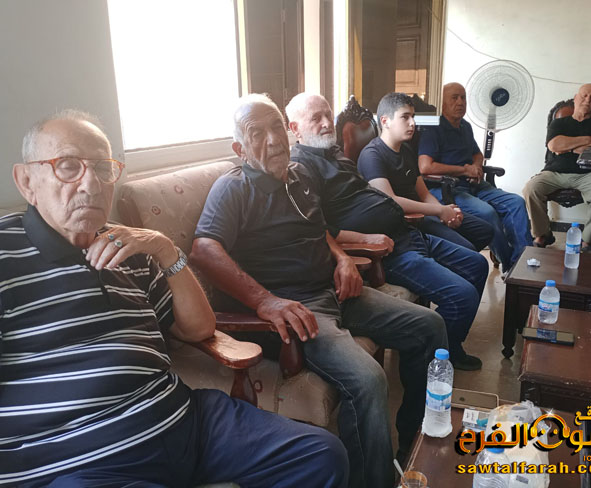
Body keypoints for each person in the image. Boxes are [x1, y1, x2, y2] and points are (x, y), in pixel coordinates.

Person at [0, 110, 348, 488]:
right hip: (81, 460)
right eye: (68, 166)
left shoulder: (131, 247)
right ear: (26, 181)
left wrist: (165, 249)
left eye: (102, 168)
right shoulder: (6, 253)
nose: (92, 184)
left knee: (321, 455)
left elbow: (199, 328)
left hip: (183, 420)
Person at [190, 94, 447, 488]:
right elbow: (204, 250)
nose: (273, 139)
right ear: (239, 149)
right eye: (257, 133)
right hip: (298, 312)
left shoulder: (299, 175)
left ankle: (413, 444)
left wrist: (342, 259)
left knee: (430, 326)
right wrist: (265, 301)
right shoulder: (233, 188)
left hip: (334, 291)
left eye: (277, 127)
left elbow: (320, 230)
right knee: (368, 379)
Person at [286, 92, 488, 372]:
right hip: (388, 252)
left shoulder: (335, 153)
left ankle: (448, 348)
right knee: (462, 296)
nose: (327, 123)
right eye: (316, 118)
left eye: (328, 115)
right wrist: (365, 239)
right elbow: (319, 228)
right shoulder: (301, 168)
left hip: (408, 232)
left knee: (478, 264)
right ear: (295, 128)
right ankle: (435, 361)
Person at [418, 82, 533, 272]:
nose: (460, 102)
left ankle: (524, 263)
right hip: (447, 189)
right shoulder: (433, 128)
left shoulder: (465, 126)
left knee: (516, 203)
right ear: (443, 102)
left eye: (463, 97)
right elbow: (425, 166)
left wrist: (477, 167)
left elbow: (477, 154)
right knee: (487, 213)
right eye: (454, 98)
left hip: (475, 185)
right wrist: (464, 170)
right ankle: (511, 267)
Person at [523, 83, 591, 249]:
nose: (588, 100)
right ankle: (543, 234)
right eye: (584, 96)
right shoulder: (558, 123)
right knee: (531, 188)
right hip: (555, 172)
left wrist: (566, 146)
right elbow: (554, 145)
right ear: (575, 99)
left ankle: (587, 240)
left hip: (587, 174)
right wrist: (587, 140)